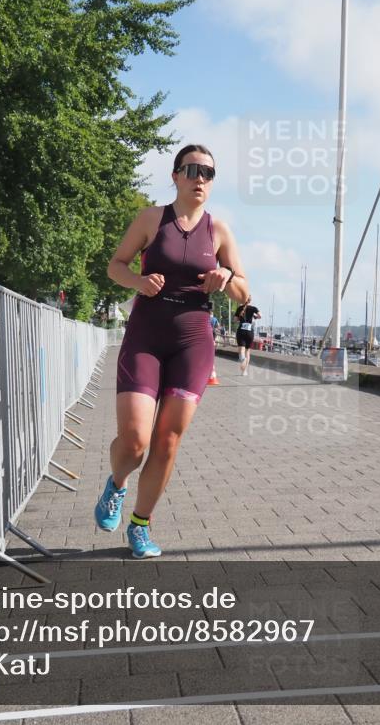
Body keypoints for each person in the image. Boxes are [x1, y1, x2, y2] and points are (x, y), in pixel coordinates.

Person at [96, 144, 249, 557]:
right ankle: (116, 484)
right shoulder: (151, 218)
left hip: (192, 343)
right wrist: (137, 282)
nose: (201, 178)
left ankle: (140, 525)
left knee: (167, 442)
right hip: (146, 335)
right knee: (135, 443)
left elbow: (243, 292)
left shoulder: (219, 231)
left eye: (209, 173)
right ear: (176, 175)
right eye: (193, 170)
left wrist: (225, 275)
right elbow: (116, 265)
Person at [234, 298, 261, 376]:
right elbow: (260, 316)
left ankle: (243, 359)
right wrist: (255, 316)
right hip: (249, 331)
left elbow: (235, 320)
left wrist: (240, 318)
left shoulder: (239, 308)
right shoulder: (253, 308)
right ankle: (244, 371)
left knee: (241, 350)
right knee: (247, 351)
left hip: (241, 330)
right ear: (250, 300)